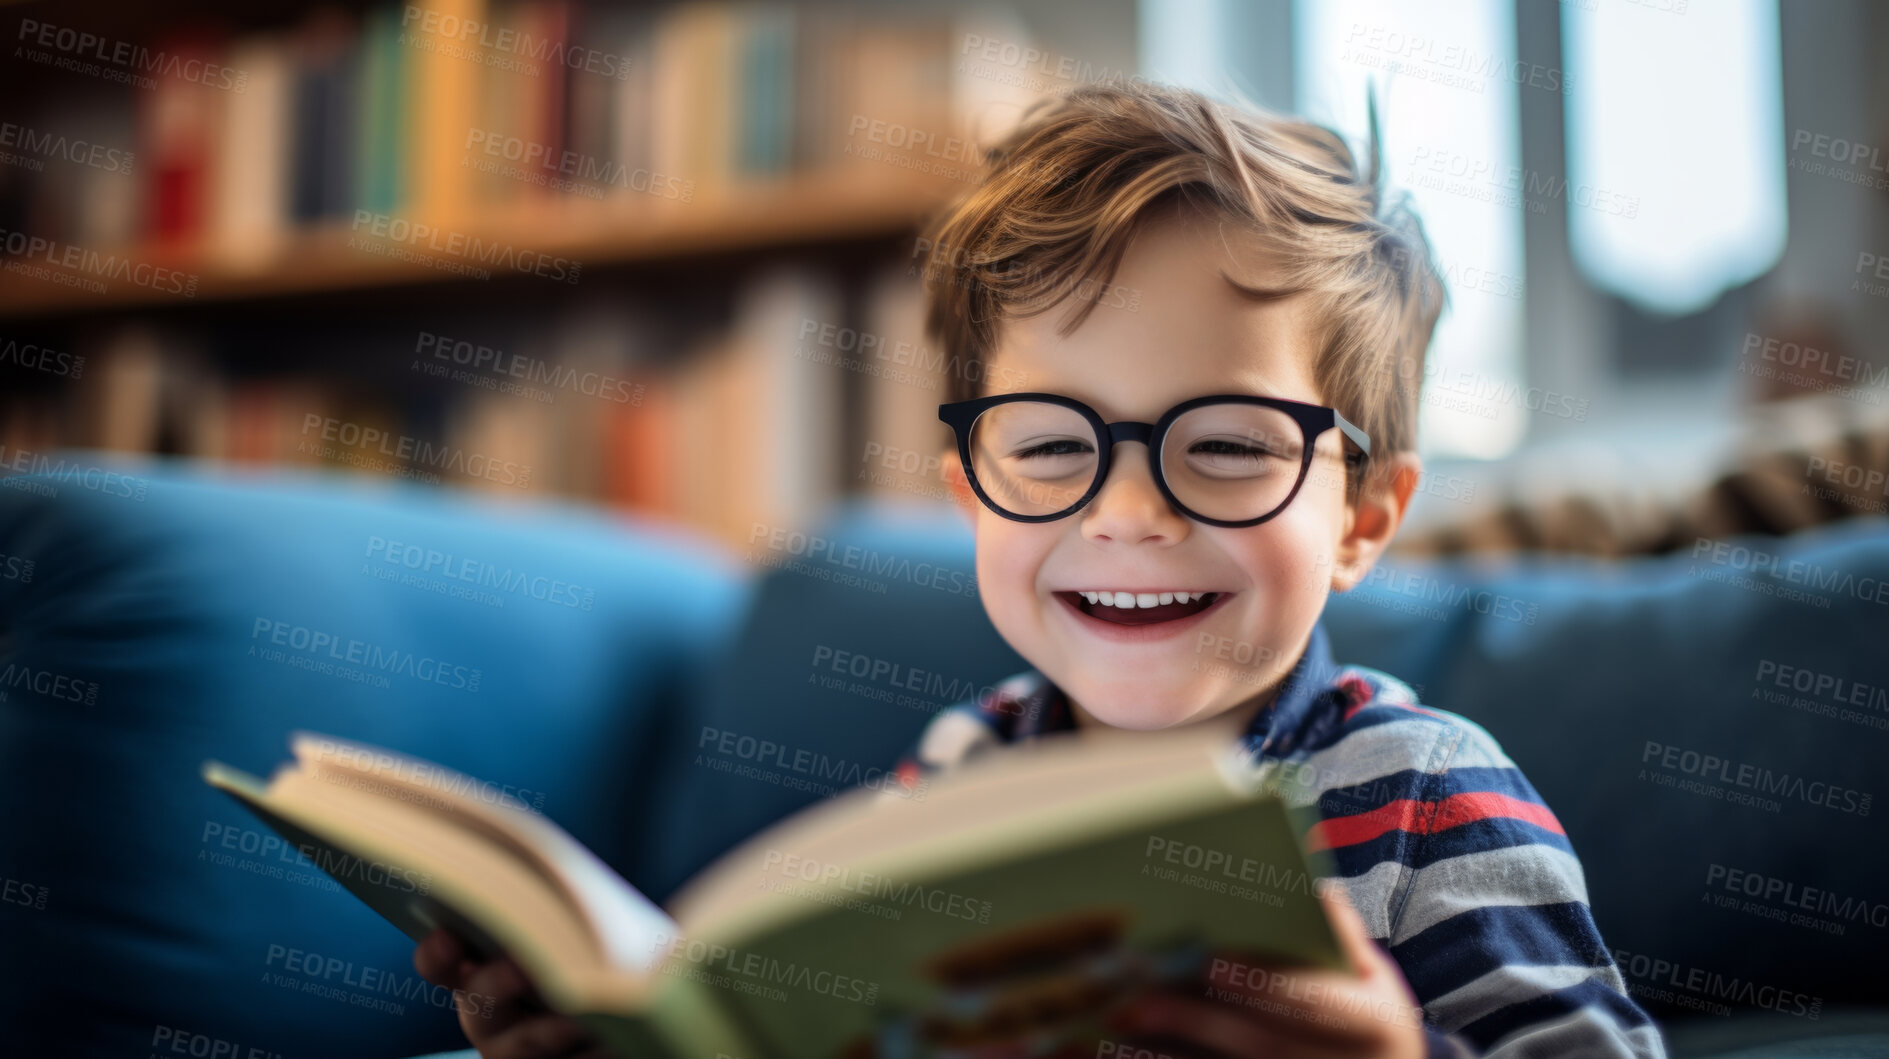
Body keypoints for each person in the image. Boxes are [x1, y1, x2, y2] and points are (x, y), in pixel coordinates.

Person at [414, 78, 1669, 1058]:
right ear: (971, 494)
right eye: (1053, 447)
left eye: (1227, 445)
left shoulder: (1421, 795)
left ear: (1363, 517)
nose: (1124, 513)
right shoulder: (957, 775)